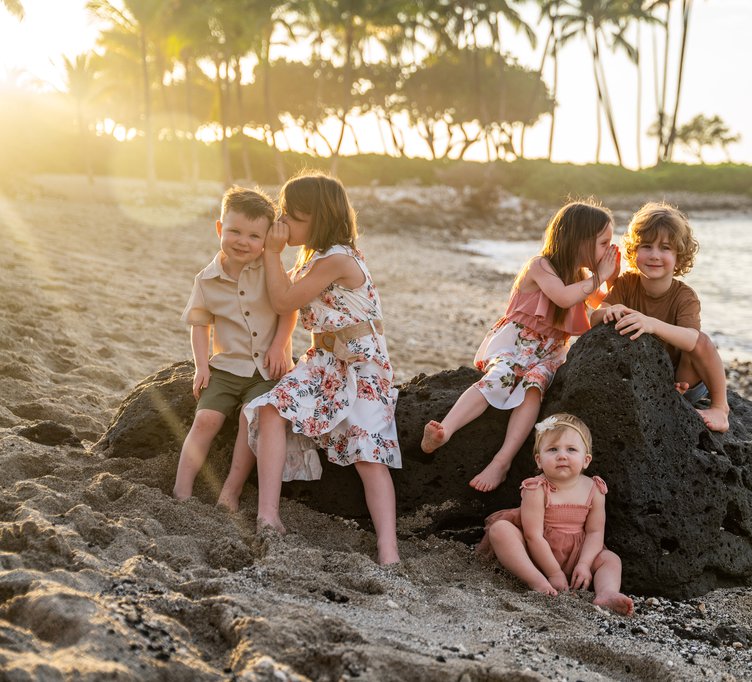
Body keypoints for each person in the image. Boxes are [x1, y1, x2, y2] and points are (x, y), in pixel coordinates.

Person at [243, 172, 401, 565]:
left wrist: (273, 252)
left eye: (291, 216)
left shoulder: (337, 259)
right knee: (269, 409)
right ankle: (268, 515)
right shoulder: (314, 257)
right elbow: (288, 305)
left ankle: (388, 547)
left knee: (368, 452)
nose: (282, 222)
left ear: (319, 217)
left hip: (360, 364)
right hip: (323, 361)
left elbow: (283, 301)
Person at [421, 199, 620, 492]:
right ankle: (445, 430)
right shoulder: (540, 266)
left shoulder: (580, 278)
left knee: (533, 390)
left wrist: (610, 279)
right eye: (604, 243)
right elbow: (564, 298)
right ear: (579, 241)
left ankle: (502, 461)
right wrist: (599, 276)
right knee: (499, 378)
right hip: (516, 343)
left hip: (549, 352)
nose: (608, 250)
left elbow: (595, 301)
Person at [175, 186, 296, 507]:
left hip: (267, 371)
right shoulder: (206, 279)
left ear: (267, 239)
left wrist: (279, 347)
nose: (243, 241)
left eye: (255, 236)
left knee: (249, 419)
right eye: (234, 231)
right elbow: (199, 325)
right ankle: (181, 490)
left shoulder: (271, 270)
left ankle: (231, 489)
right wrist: (202, 366)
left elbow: (289, 310)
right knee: (205, 421)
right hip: (226, 368)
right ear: (219, 229)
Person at [592, 202, 730, 432]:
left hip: (684, 380)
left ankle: (720, 407)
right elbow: (594, 318)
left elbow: (691, 340)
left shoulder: (684, 296)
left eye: (665, 248)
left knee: (702, 340)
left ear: (679, 256)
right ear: (634, 251)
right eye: (646, 246)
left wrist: (651, 324)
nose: (655, 255)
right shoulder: (626, 284)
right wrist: (608, 311)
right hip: (644, 379)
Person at [477, 413, 634, 616]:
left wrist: (585, 564)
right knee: (500, 530)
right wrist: (553, 572)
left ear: (586, 460)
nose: (562, 455)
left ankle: (606, 593)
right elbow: (533, 535)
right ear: (539, 460)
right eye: (553, 449)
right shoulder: (536, 488)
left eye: (571, 449)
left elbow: (595, 532)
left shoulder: (594, 488)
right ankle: (537, 581)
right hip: (536, 553)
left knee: (610, 559)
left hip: (578, 554)